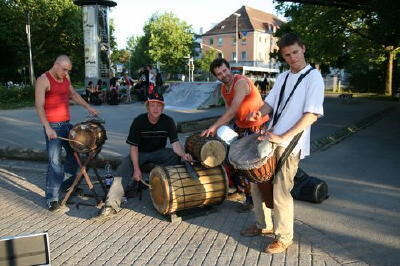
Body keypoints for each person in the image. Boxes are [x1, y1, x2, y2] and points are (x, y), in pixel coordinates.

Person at [243, 32, 324, 254]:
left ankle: (284, 237)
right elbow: (269, 104)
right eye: (287, 55)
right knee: (257, 183)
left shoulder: (314, 78)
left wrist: (283, 136)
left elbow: (312, 115)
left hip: (291, 143)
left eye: (295, 52)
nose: (292, 58)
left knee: (280, 191)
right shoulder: (283, 77)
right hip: (271, 138)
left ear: (303, 49)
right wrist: (257, 114)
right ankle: (264, 225)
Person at [98, 93, 193, 217]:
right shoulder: (139, 121)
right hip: (140, 152)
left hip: (160, 152)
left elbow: (175, 144)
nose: (155, 108)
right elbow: (133, 147)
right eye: (152, 105)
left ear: (162, 108)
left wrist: (184, 155)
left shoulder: (168, 121)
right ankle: (111, 204)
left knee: (176, 157)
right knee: (125, 166)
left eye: (159, 106)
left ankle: (172, 192)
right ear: (147, 107)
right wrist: (137, 170)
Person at [201, 58, 270, 211]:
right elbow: (229, 114)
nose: (223, 75)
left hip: (257, 125)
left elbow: (233, 110)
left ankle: (255, 199)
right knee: (233, 160)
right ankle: (242, 192)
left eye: (225, 71)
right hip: (241, 126)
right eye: (219, 74)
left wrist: (214, 126)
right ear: (216, 76)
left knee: (251, 165)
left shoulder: (240, 83)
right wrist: (218, 132)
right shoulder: (224, 89)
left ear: (229, 68)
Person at [35, 55, 99, 211]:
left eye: (68, 70)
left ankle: (67, 184)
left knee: (74, 155)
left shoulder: (65, 77)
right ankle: (52, 197)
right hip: (53, 126)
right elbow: (39, 106)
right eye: (64, 69)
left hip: (66, 124)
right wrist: (48, 127)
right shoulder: (43, 80)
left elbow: (74, 95)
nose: (66, 73)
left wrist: (88, 107)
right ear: (56, 65)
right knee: (55, 162)